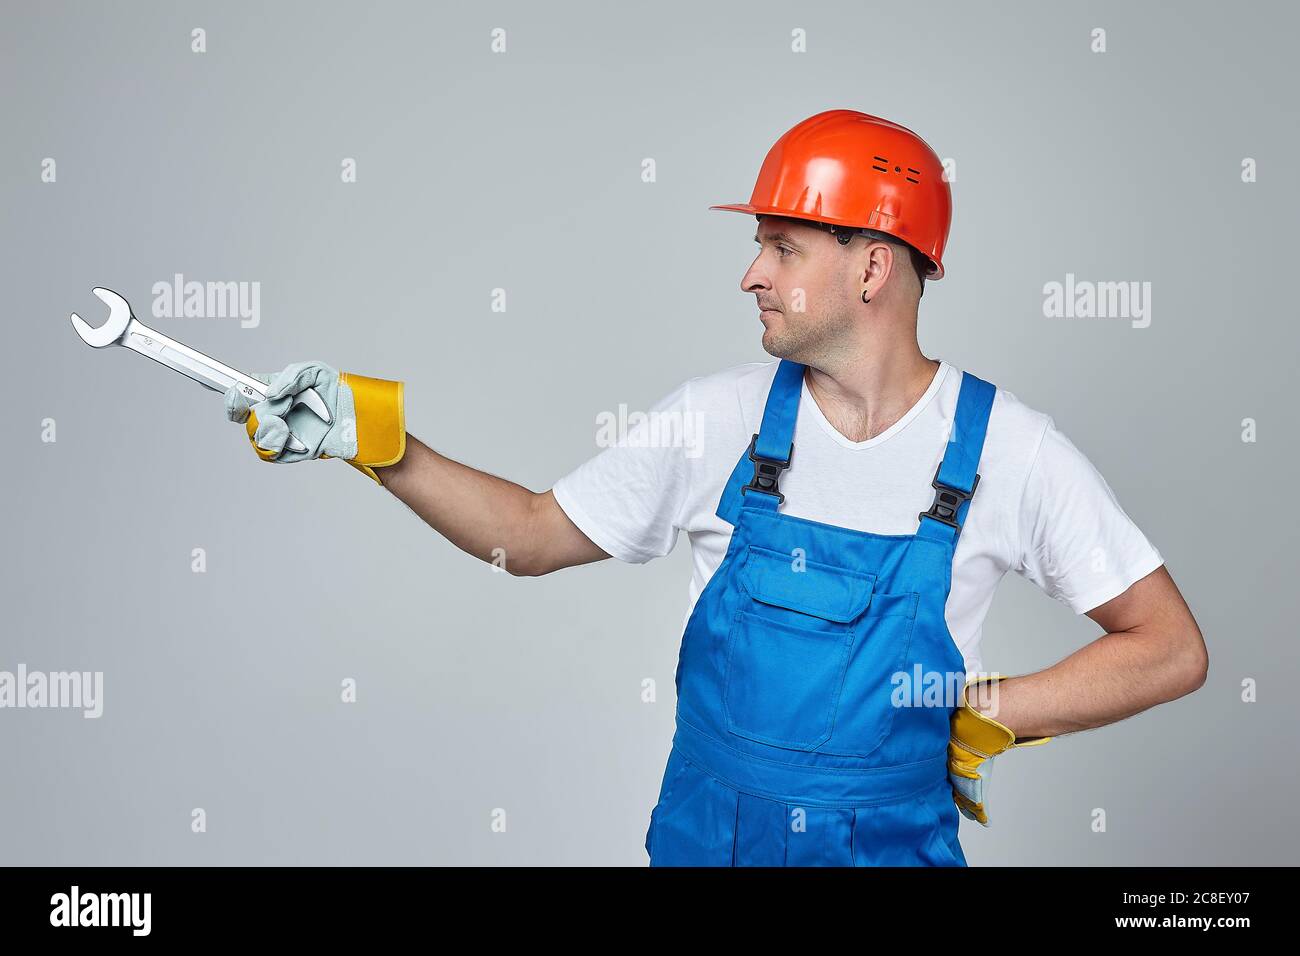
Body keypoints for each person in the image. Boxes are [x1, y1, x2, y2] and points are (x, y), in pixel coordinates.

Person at [224, 109, 1208, 867]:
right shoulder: (715, 419)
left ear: (872, 265)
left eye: (782, 246)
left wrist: (996, 704)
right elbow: (525, 535)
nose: (751, 274)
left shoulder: (1009, 450)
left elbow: (1167, 648)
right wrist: (377, 444)